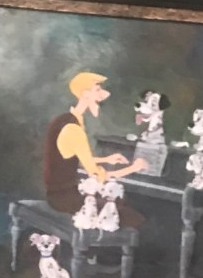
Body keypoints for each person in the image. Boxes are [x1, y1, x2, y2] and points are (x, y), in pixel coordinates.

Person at [42, 70, 145, 218]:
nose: (104, 94)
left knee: (120, 206)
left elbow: (72, 158)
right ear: (85, 94)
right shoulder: (74, 129)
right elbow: (96, 175)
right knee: (135, 217)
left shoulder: (66, 119)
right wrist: (134, 168)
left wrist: (106, 159)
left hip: (60, 194)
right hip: (65, 199)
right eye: (97, 90)